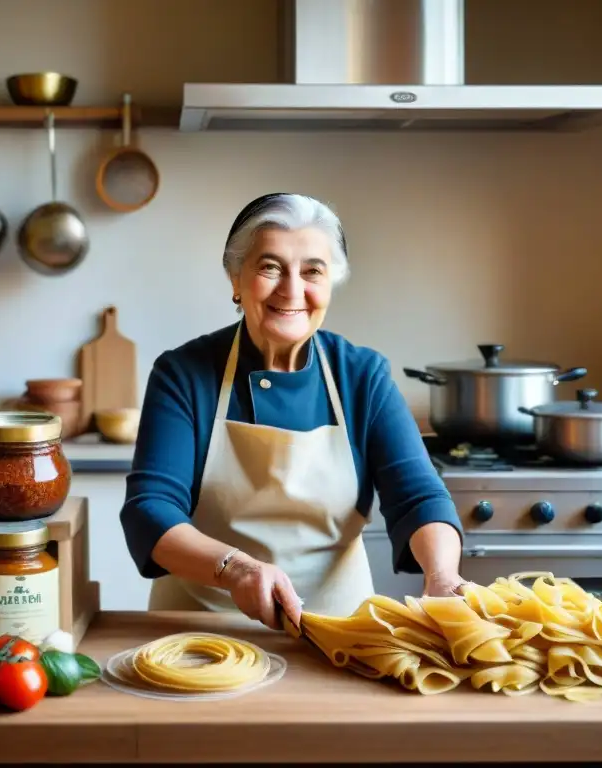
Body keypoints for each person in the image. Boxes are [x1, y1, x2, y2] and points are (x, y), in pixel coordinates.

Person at [120, 192, 465, 631]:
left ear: (330, 284)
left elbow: (419, 497)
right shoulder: (183, 374)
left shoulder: (362, 376)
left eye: (312, 272)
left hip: (339, 631)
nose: (291, 289)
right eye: (270, 267)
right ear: (235, 278)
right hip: (198, 628)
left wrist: (442, 576)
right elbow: (150, 508)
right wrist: (237, 569)